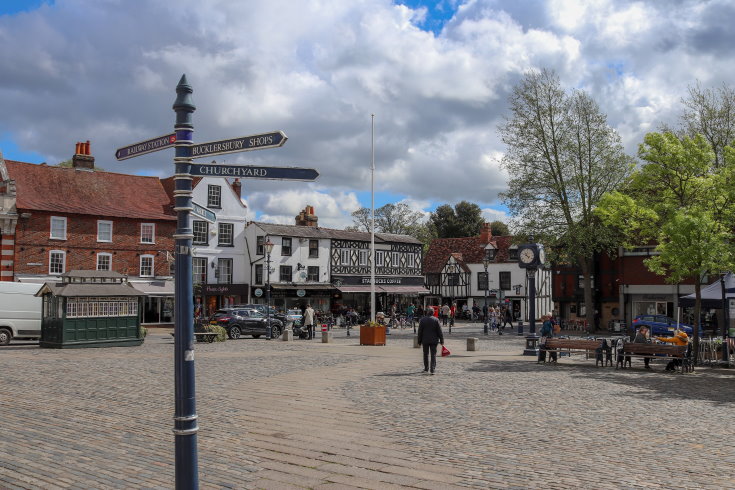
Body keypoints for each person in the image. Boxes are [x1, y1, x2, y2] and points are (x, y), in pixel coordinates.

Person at [417, 308, 444, 374]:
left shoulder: (423, 320)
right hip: (434, 340)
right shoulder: (436, 320)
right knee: (433, 355)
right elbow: (440, 331)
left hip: (425, 340)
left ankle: (426, 368)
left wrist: (419, 341)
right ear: (433, 313)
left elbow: (420, 331)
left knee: (425, 354)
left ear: (427, 312)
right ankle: (432, 369)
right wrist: (442, 340)